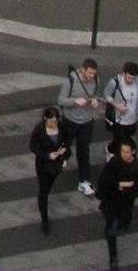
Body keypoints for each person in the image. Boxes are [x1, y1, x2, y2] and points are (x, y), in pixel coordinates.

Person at [97, 136, 138, 267]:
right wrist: (120, 184)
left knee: (124, 221)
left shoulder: (137, 165)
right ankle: (113, 256)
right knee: (111, 228)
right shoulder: (114, 162)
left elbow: (136, 185)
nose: (124, 154)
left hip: (126, 201)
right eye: (122, 151)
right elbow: (103, 181)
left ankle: (119, 225)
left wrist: (131, 194)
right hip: (111, 200)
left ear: (133, 151)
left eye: (127, 152)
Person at [60, 58, 102, 195]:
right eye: (89, 73)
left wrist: (95, 101)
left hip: (86, 121)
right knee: (65, 143)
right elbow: (61, 100)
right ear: (83, 70)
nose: (92, 76)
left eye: (94, 73)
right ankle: (63, 156)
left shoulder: (96, 80)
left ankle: (84, 181)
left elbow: (96, 95)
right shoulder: (70, 81)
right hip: (70, 120)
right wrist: (74, 101)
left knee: (83, 152)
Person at [29, 106, 69, 234]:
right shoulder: (39, 130)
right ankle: (44, 220)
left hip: (57, 163)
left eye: (55, 121)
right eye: (51, 121)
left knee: (49, 184)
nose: (54, 124)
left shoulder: (61, 127)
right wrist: (47, 156)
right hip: (43, 165)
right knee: (44, 191)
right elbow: (33, 147)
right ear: (45, 118)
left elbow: (66, 140)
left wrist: (64, 150)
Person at [104, 62, 138, 150]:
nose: (130, 80)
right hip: (119, 120)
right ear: (124, 73)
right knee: (122, 142)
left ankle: (111, 148)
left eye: (133, 78)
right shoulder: (115, 82)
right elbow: (107, 95)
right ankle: (112, 151)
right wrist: (117, 106)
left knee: (124, 139)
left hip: (133, 120)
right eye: (128, 77)